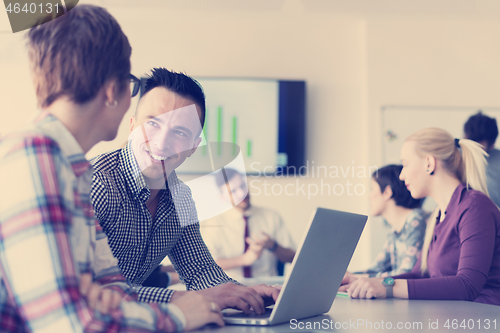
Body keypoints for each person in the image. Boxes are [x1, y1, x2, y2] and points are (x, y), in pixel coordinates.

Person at [0, 5, 225, 332]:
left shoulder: (73, 169)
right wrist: (179, 314)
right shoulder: (36, 155)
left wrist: (101, 301)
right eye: (131, 83)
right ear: (112, 90)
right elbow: (70, 323)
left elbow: (113, 290)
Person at [90, 68, 279, 311]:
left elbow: (201, 273)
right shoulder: (96, 184)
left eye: (179, 131)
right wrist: (182, 300)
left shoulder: (181, 196)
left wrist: (248, 293)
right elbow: (84, 291)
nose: (161, 141)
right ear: (132, 126)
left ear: (193, 146)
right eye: (153, 123)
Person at [340, 128, 500, 306]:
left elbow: (468, 285)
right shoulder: (438, 216)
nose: (402, 175)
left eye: (405, 164)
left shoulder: (475, 206)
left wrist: (387, 287)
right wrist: (362, 282)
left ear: (429, 163)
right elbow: (419, 274)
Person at [201, 168, 296, 280]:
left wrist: (272, 245)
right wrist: (244, 259)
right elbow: (206, 265)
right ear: (222, 197)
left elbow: (293, 258)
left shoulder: (271, 216)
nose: (242, 194)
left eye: (242, 186)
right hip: (230, 289)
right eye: (233, 191)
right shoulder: (213, 223)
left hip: (268, 286)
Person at [344, 164, 427, 280]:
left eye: (372, 189)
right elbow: (377, 268)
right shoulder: (395, 231)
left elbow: (407, 273)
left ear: (387, 192)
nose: (369, 196)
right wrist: (348, 276)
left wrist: (355, 279)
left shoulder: (416, 220)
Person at [464, 111, 500, 207]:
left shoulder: (498, 160)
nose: (474, 150)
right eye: (471, 145)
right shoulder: (453, 158)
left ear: (492, 145)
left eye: (479, 148)